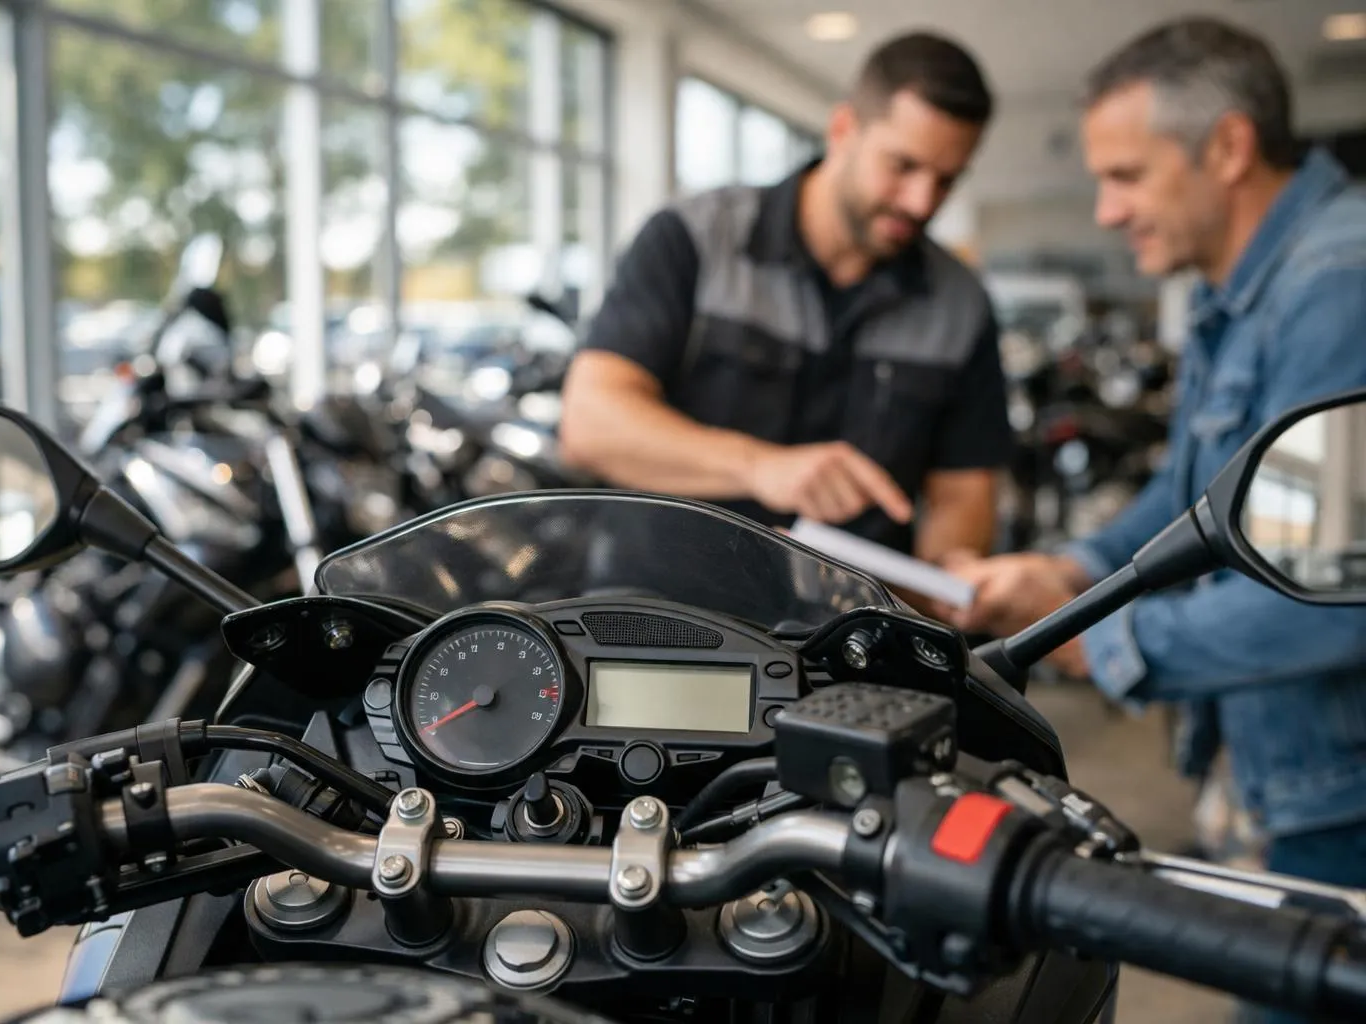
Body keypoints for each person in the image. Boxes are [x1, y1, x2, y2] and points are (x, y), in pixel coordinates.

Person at [938, 23, 1366, 1020]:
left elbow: (1338, 592)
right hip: (1286, 776)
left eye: (1126, 174)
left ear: (1225, 147)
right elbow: (1198, 496)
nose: (1108, 210)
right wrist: (1068, 567)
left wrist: (1105, 639)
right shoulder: (1240, 290)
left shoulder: (1337, 286)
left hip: (1344, 797)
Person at [559, 32, 1012, 567]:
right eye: (903, 166)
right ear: (843, 129)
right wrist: (760, 467)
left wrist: (948, 581)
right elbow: (590, 424)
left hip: (847, 633)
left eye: (946, 181)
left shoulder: (962, 305)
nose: (921, 201)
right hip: (660, 613)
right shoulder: (695, 239)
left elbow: (963, 500)